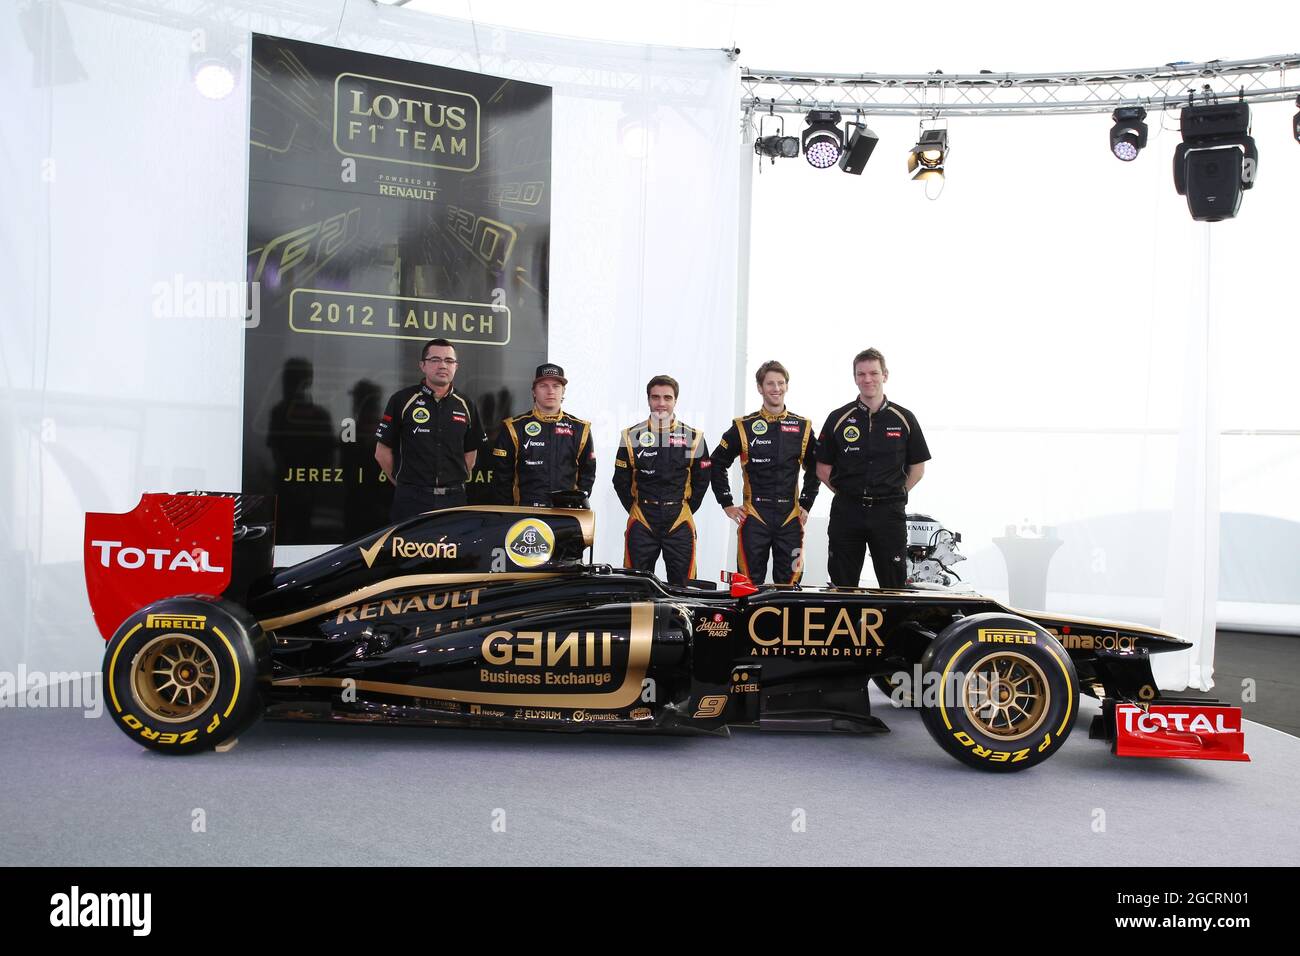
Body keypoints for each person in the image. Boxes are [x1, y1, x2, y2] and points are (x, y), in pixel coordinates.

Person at [816, 347, 930, 589]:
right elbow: (822, 469)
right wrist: (848, 494)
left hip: (888, 514)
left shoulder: (904, 418)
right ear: (854, 377)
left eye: (873, 373)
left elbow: (917, 469)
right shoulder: (838, 417)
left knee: (893, 585)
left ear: (885, 375)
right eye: (861, 374)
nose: (867, 379)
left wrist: (895, 494)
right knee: (842, 586)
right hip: (847, 513)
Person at [710, 360, 819, 584]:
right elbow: (716, 463)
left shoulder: (802, 427)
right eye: (770, 383)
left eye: (780, 383)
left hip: (790, 517)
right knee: (747, 585)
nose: (776, 388)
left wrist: (806, 503)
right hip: (755, 515)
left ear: (787, 386)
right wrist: (727, 503)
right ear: (760, 388)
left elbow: (816, 468)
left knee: (791, 583)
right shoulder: (743, 426)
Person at [612, 375, 711, 585]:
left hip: (679, 519)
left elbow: (702, 481)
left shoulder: (694, 437)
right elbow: (620, 480)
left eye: (667, 397)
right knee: (635, 586)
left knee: (684, 586)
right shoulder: (630, 436)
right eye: (655, 397)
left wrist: (684, 508)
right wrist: (635, 508)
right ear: (648, 400)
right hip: (642, 519)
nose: (661, 403)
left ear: (676, 400)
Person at [375, 338, 487, 522]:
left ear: (456, 366)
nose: (443, 365)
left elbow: (470, 455)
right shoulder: (402, 400)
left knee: (452, 551)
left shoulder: (466, 404)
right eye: (435, 360)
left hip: (454, 500)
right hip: (411, 500)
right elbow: (382, 453)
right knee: (408, 551)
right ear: (423, 365)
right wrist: (404, 484)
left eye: (449, 361)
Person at [490, 363, 596, 506]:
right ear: (534, 391)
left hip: (566, 515)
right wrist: (509, 515)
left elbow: (587, 475)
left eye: (556, 386)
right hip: (525, 515)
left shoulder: (581, 428)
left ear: (563, 391)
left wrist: (574, 504)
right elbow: (502, 479)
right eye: (543, 386)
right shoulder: (513, 427)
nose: (550, 391)